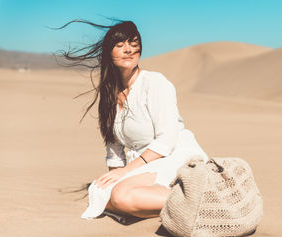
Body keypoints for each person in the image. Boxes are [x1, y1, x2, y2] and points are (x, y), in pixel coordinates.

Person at [57, 20, 209, 219]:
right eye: (120, 46)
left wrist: (125, 173)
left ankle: (204, 200)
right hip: (145, 164)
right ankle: (177, 205)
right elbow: (114, 150)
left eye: (134, 44)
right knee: (102, 192)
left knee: (120, 197)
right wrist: (114, 178)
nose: (128, 50)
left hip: (175, 156)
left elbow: (167, 140)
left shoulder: (154, 83)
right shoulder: (110, 96)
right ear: (109, 53)